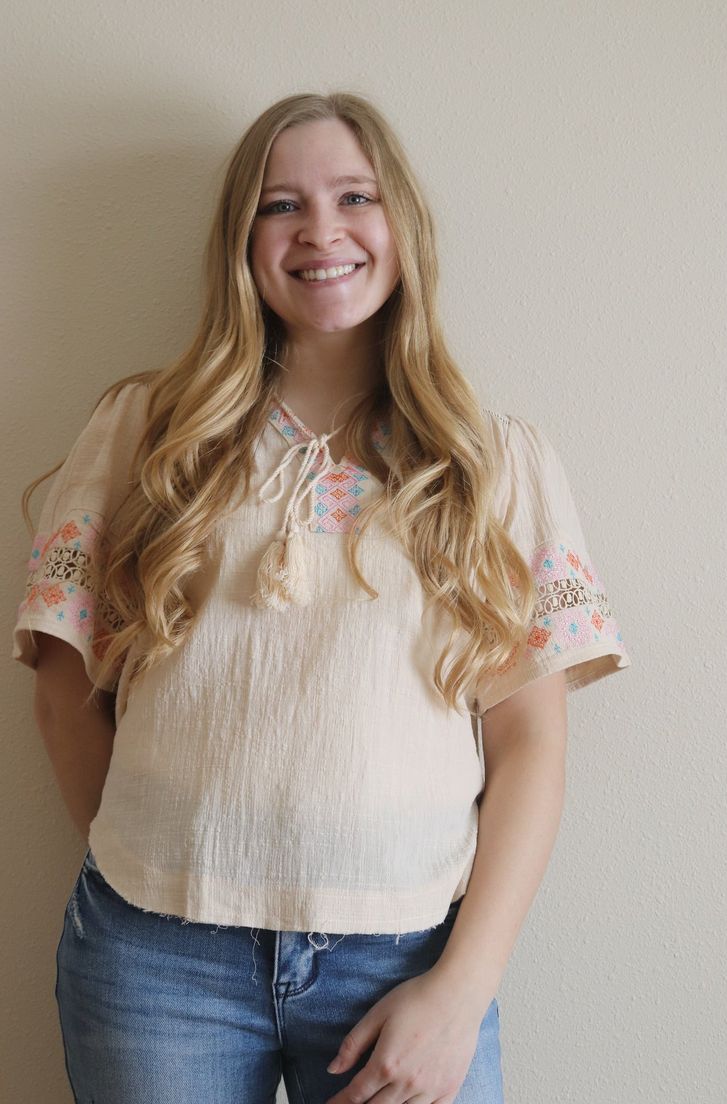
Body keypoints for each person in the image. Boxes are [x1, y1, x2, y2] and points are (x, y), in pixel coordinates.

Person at [11, 91, 631, 1104]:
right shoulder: (145, 432)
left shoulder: (487, 459)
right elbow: (61, 684)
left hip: (406, 959)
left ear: (403, 228)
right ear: (240, 239)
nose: (321, 232)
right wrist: (151, 871)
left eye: (355, 196)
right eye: (280, 205)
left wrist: (461, 990)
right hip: (155, 961)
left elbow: (529, 744)